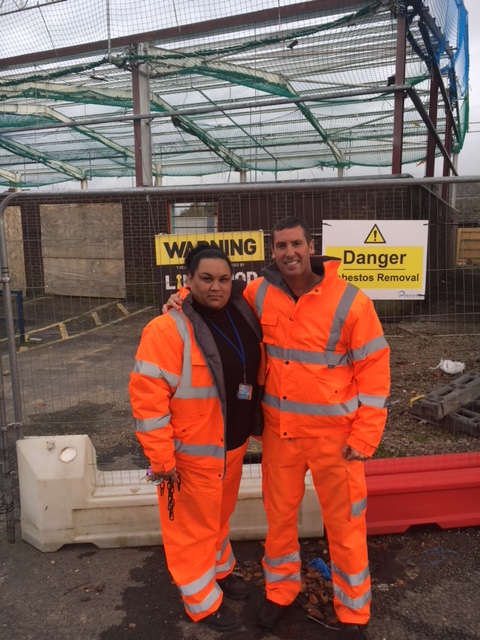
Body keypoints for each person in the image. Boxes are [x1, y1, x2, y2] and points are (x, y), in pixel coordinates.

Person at [242, 216, 390, 640]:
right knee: (280, 520)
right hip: (280, 434)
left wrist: (365, 436)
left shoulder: (350, 301)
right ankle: (280, 592)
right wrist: (180, 299)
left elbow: (375, 373)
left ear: (312, 246)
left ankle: (353, 612)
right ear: (272, 253)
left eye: (295, 244)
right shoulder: (260, 291)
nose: (288, 252)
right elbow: (217, 298)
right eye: (280, 246)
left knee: (345, 525)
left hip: (336, 440)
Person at [129, 244, 264, 633]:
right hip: (187, 457)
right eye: (206, 278)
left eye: (224, 279)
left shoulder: (242, 314)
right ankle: (200, 601)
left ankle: (220, 571)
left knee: (218, 519)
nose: (216, 287)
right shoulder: (166, 329)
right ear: (187, 281)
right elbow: (147, 401)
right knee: (189, 531)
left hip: (232, 447)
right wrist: (162, 461)